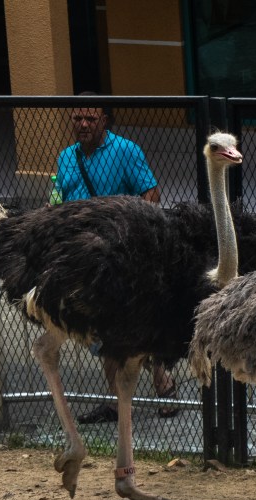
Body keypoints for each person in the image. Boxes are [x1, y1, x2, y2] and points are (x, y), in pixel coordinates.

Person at [54, 96, 178, 423]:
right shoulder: (66, 158)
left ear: (103, 121)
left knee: (137, 319)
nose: (82, 124)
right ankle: (116, 403)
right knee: (99, 327)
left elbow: (151, 192)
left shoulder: (126, 151)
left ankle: (163, 383)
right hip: (85, 257)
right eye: (77, 118)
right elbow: (57, 200)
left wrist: (138, 234)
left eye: (90, 119)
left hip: (121, 252)